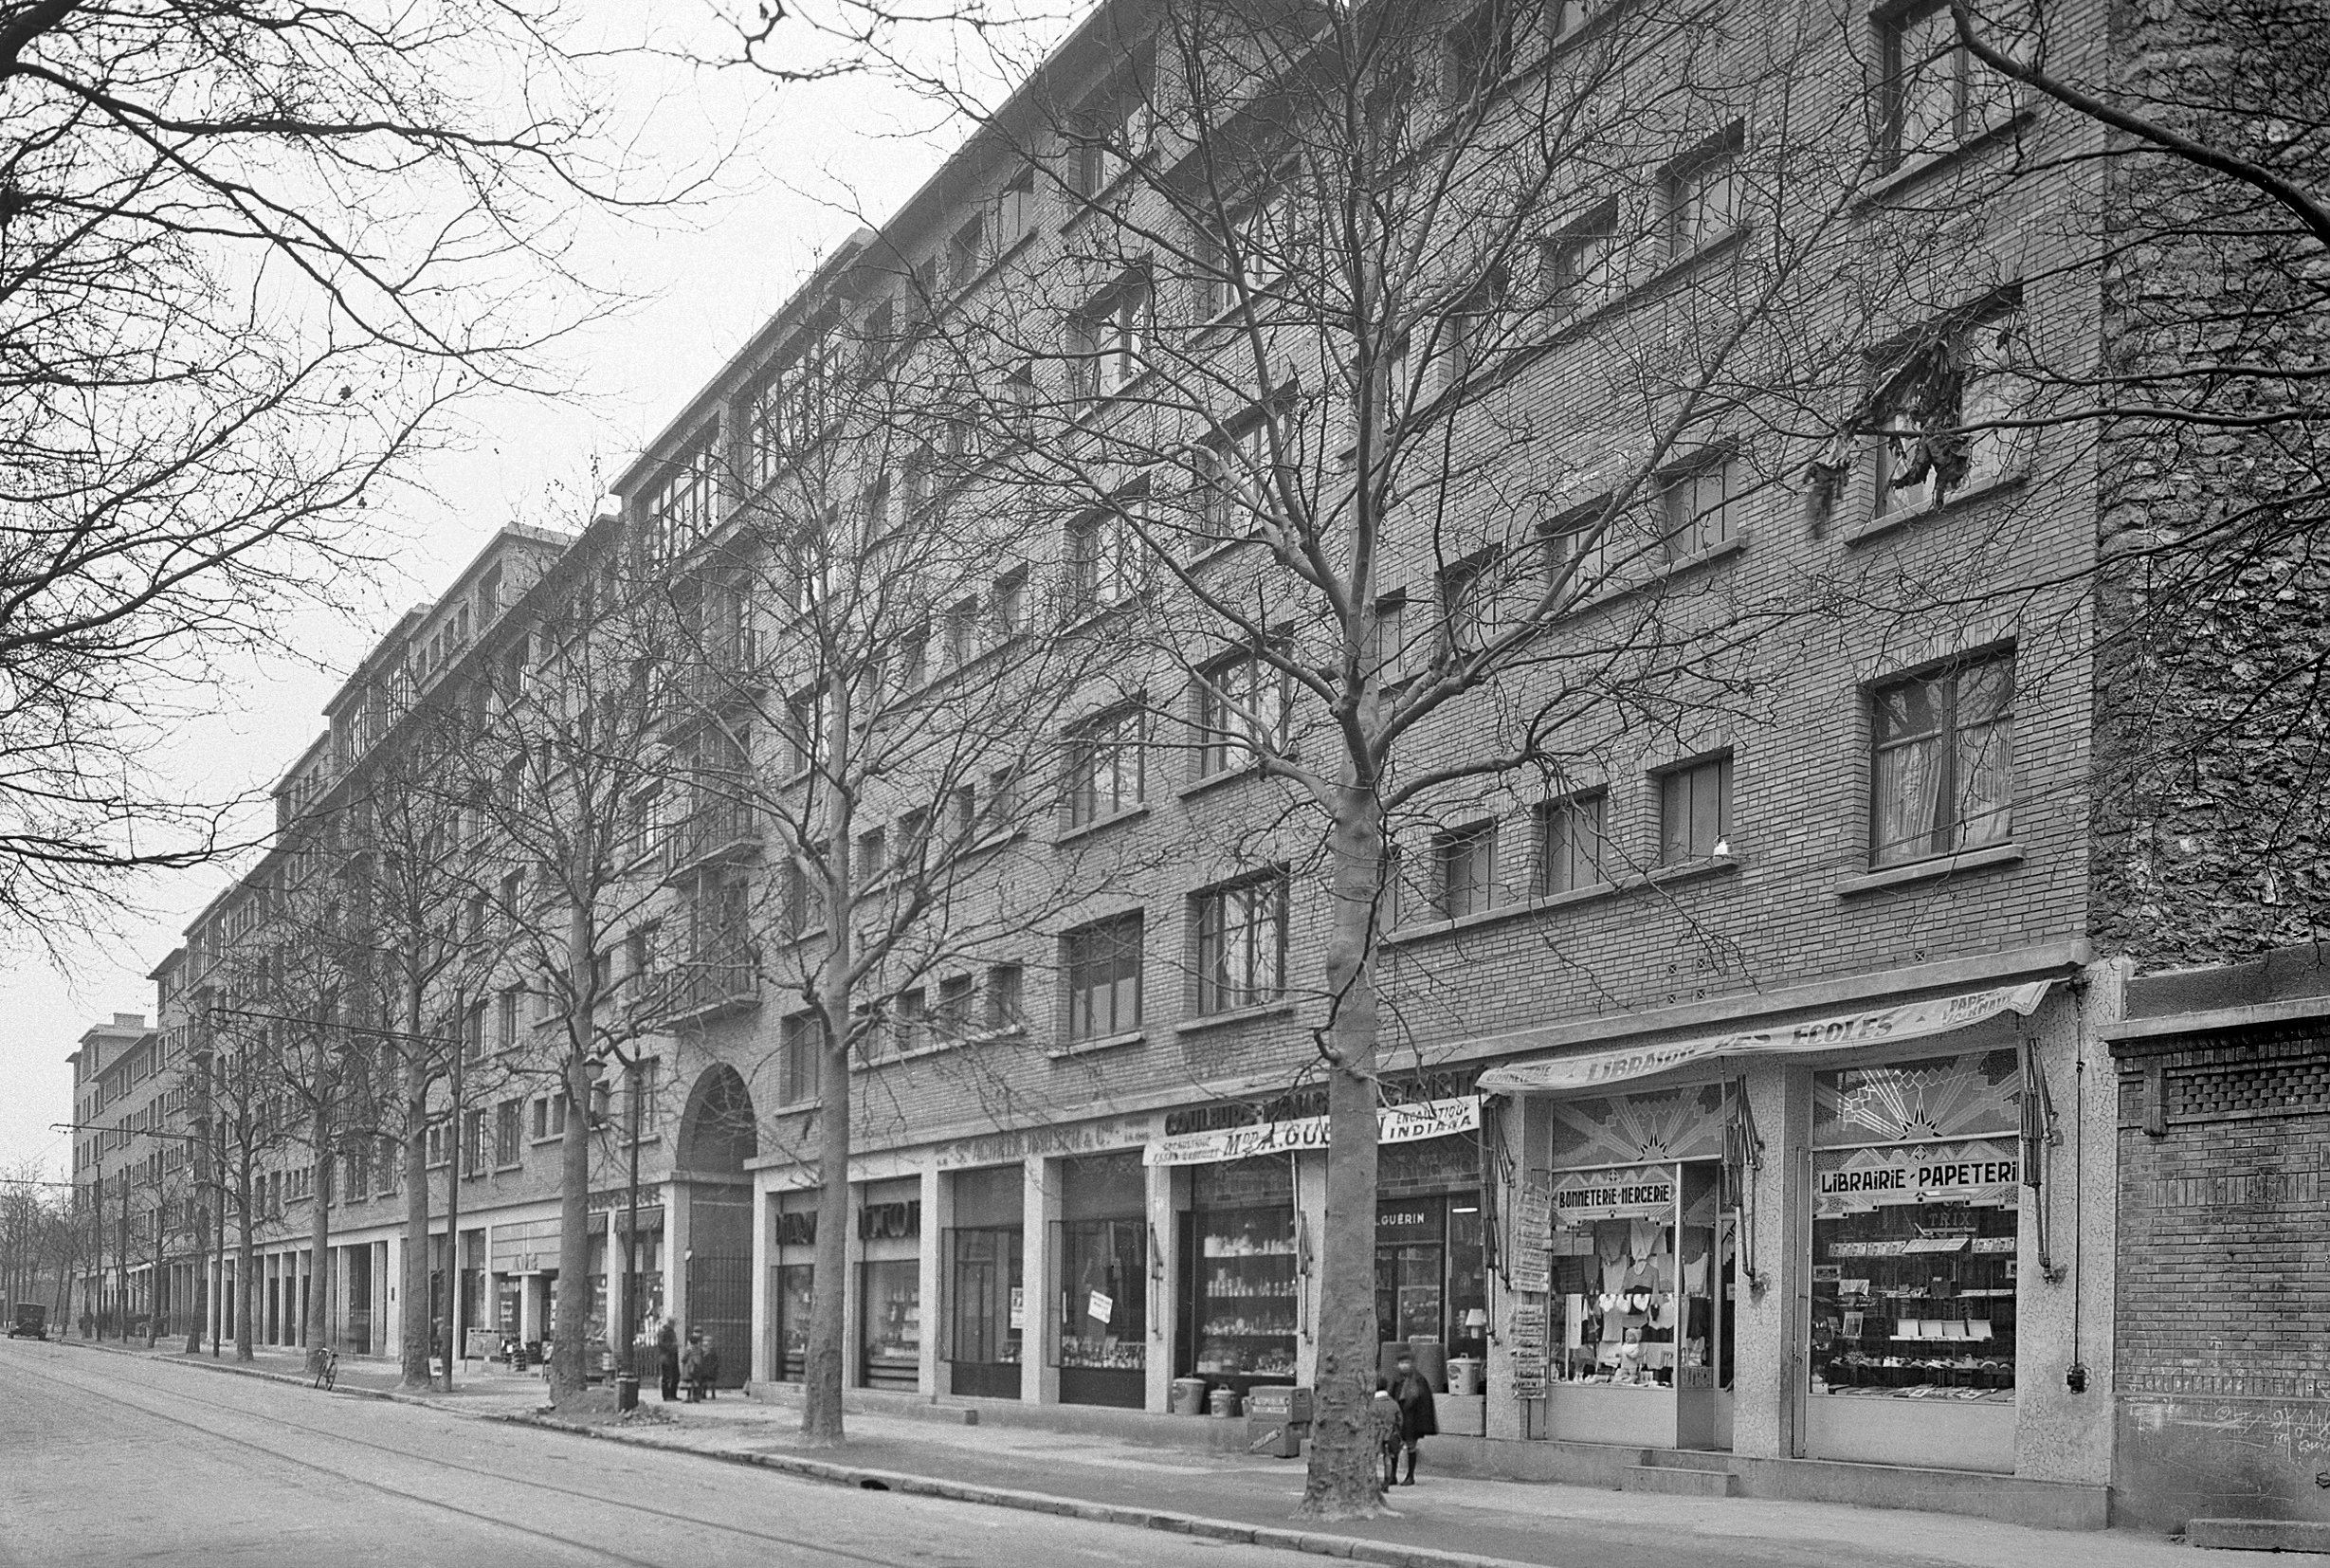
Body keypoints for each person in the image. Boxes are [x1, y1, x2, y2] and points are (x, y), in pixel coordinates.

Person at [1377, 1349, 1439, 1486]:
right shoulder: (1396, 1379)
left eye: (1406, 1362)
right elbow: (1391, 1397)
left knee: (1411, 1445)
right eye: (1401, 1363)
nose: (1404, 1365)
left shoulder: (1418, 1380)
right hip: (1399, 1417)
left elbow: (1423, 1401)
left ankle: (1410, 1476)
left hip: (1413, 1419)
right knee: (1394, 1446)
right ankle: (1392, 1475)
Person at [657, 1319, 681, 1403]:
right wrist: (672, 1346)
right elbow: (662, 1344)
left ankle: (672, 1394)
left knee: (675, 1375)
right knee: (667, 1376)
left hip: (672, 1355)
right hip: (667, 1356)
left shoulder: (670, 1331)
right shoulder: (664, 1332)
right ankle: (667, 1395)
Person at [680, 1329, 705, 1403]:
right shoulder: (699, 1350)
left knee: (689, 1383)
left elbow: (684, 1359)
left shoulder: (689, 1349)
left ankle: (689, 1397)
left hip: (690, 1367)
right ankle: (696, 1397)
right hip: (697, 1367)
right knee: (696, 1382)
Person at [697, 1332, 721, 1400]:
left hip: (705, 1369)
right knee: (712, 1381)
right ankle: (712, 1394)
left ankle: (704, 1394)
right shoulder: (713, 1351)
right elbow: (716, 1361)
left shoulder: (703, 1350)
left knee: (704, 1381)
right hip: (712, 1370)